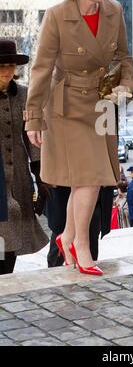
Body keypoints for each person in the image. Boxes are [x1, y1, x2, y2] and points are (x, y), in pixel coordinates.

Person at [24, 0, 133, 276]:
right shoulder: (57, 16)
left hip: (101, 105)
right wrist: (34, 116)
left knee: (83, 182)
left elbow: (124, 59)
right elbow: (41, 69)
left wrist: (124, 87)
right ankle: (80, 244)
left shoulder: (114, 11)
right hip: (65, 107)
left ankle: (67, 236)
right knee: (89, 178)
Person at [0, 40, 48, 275]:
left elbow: (32, 136)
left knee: (15, 232)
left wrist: (40, 174)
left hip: (18, 175)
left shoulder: (25, 94)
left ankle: (6, 277)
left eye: (11, 65)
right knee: (3, 230)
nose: (8, 71)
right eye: (2, 66)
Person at [45, 186, 114, 267]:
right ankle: (68, 246)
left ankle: (79, 254)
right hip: (63, 192)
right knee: (62, 226)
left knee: (90, 231)